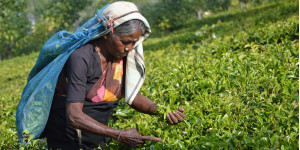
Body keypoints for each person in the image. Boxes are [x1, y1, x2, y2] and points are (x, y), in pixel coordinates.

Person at [40, 1, 186, 149]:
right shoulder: (81, 57)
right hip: (67, 137)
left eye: (133, 43)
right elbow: (74, 116)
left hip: (98, 134)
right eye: (125, 42)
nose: (129, 48)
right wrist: (120, 134)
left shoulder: (122, 56)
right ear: (108, 33)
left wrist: (164, 112)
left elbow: (133, 95)